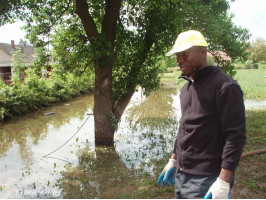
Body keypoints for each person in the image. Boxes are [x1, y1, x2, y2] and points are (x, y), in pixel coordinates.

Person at [157, 30, 246, 199]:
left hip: (207, 177)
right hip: (183, 173)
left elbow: (236, 136)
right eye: (177, 55)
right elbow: (184, 126)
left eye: (185, 54)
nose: (179, 60)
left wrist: (224, 180)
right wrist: (173, 160)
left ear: (203, 53)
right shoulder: (187, 87)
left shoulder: (225, 87)